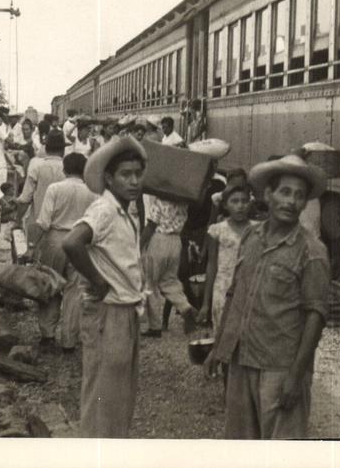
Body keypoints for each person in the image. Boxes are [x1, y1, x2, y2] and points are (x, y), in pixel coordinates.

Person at [205, 154, 329, 439]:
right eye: (284, 192)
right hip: (241, 361)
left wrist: (296, 376)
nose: (291, 201)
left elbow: (316, 315)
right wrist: (218, 348)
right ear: (268, 195)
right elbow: (235, 294)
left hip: (279, 368)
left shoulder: (312, 251)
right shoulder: (251, 237)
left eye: (299, 196)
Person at [61, 136, 147, 438]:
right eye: (126, 174)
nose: (134, 181)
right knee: (103, 398)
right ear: (109, 178)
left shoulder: (123, 210)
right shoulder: (105, 210)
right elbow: (71, 242)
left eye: (138, 173)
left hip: (124, 311)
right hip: (108, 313)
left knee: (118, 397)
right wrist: (98, 281)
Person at [28, 153, 98, 351]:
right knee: (74, 291)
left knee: (49, 286)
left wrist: (32, 246)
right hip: (79, 242)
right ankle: (69, 339)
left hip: (55, 240)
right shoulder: (92, 192)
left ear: (64, 169)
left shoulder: (55, 188)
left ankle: (47, 334)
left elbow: (43, 222)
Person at [198, 184, 256, 333]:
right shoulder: (217, 230)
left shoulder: (257, 230)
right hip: (223, 289)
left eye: (244, 201)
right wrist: (205, 303)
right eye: (234, 201)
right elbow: (211, 265)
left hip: (249, 289)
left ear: (250, 203)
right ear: (225, 205)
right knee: (223, 335)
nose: (240, 206)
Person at [140, 192, 198, 337]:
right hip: (176, 241)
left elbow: (151, 225)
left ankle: (154, 326)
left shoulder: (160, 201)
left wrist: (139, 245)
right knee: (169, 280)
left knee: (150, 283)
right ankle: (185, 307)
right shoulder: (184, 202)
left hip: (160, 240)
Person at [16, 130, 66, 248]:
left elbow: (25, 198)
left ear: (46, 149)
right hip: (62, 226)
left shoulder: (36, 166)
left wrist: (17, 220)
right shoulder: (68, 167)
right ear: (63, 150)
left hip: (39, 223)